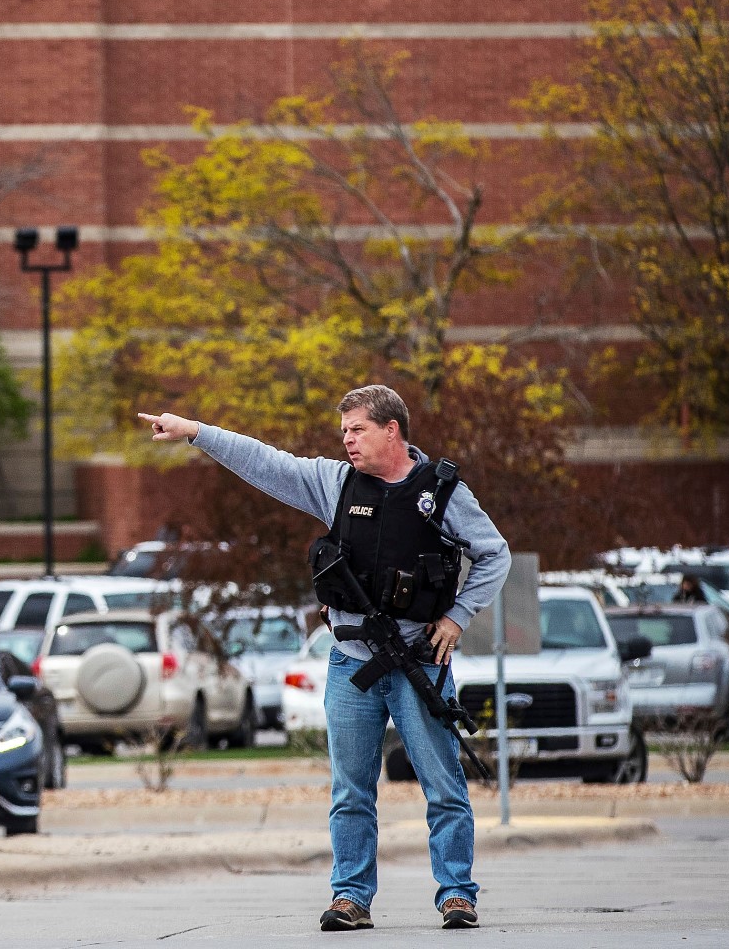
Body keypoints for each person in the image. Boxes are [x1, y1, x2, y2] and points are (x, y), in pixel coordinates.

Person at [139, 384, 508, 932]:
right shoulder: (336, 483)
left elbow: (493, 553)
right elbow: (266, 462)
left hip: (418, 662)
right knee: (350, 791)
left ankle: (457, 893)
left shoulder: (442, 492)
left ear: (392, 430)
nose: (346, 441)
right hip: (352, 663)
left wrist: (457, 617)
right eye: (343, 432)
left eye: (356, 430)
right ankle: (351, 897)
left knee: (443, 786)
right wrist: (196, 432)